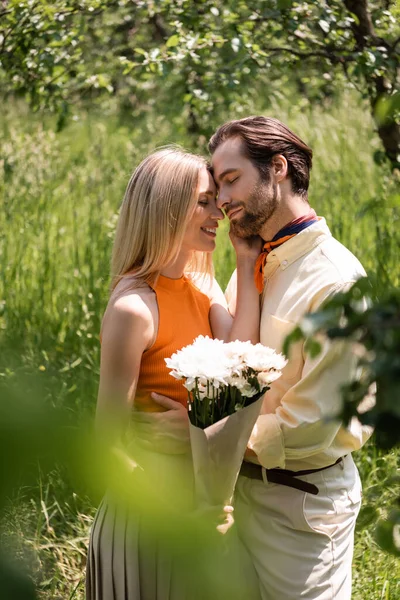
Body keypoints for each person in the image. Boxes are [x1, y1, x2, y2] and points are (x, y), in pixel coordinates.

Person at [86, 147, 261, 600]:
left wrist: (244, 261)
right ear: (167, 208)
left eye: (216, 199)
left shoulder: (202, 287)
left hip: (199, 509)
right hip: (145, 518)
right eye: (203, 201)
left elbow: (239, 360)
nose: (218, 211)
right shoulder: (134, 308)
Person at [209, 117, 373, 600]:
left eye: (231, 179)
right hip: (236, 494)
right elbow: (225, 366)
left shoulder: (337, 283)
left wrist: (205, 438)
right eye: (217, 185)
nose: (221, 198)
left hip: (301, 508)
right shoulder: (254, 260)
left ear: (277, 168)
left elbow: (311, 423)